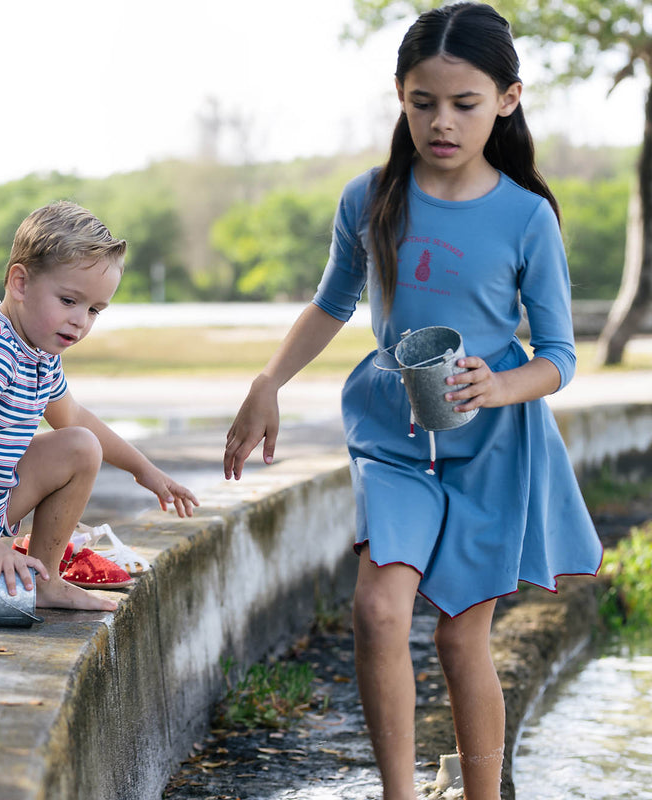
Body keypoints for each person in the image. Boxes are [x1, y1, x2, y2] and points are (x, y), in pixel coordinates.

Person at [222, 4, 602, 799]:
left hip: (493, 444)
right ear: (400, 94)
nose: (442, 122)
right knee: (379, 612)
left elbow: (560, 357)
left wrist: (501, 384)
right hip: (394, 434)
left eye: (465, 104)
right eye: (423, 101)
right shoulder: (371, 197)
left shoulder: (528, 216)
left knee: (464, 641)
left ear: (507, 99)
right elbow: (333, 302)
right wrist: (268, 382)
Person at [0, 200, 199, 681]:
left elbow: (75, 419)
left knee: (78, 445)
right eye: (69, 301)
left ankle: (45, 581)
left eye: (95, 309)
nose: (80, 321)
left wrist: (144, 470)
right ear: (20, 282)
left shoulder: (39, 348)